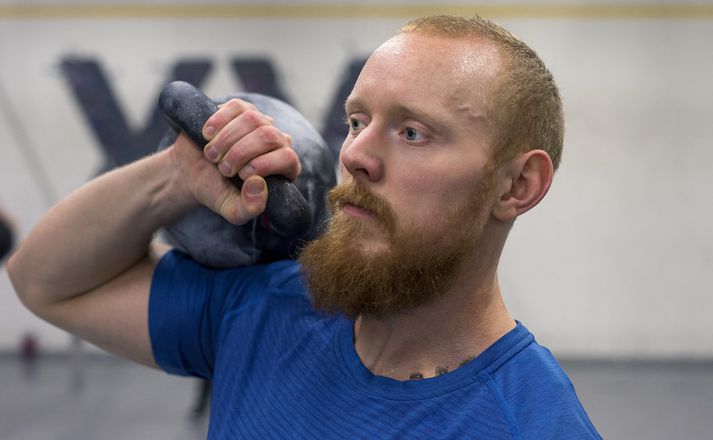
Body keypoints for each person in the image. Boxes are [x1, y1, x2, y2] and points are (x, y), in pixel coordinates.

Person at [9, 15, 601, 439]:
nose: (356, 156)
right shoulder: (270, 308)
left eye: (412, 132)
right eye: (357, 121)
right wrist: (178, 176)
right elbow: (44, 280)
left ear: (518, 185)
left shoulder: (532, 423)